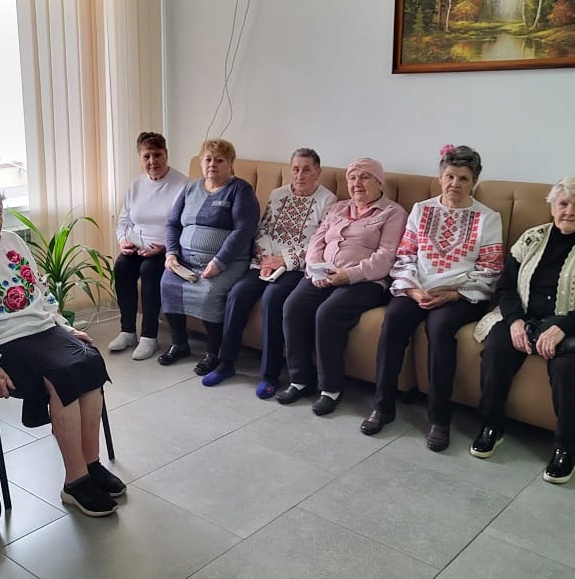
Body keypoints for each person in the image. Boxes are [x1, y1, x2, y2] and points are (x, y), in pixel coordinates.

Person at [0, 178, 125, 518]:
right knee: (62, 374)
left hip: (42, 329)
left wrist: (65, 326)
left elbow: (41, 291)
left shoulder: (13, 241)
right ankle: (75, 482)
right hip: (0, 343)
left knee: (89, 361)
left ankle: (91, 463)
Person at [469, 175, 575, 484]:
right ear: (552, 206)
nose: (570, 211)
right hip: (525, 318)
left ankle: (566, 447)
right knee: (497, 348)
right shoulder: (531, 237)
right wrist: (514, 321)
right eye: (563, 203)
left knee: (567, 367)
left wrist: (563, 327)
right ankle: (491, 425)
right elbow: (506, 287)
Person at [361, 144, 504, 450]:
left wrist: (453, 294)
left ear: (474, 182)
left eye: (463, 178)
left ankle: (439, 419)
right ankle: (382, 407)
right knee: (393, 320)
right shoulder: (421, 209)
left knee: (439, 330)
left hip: (461, 294)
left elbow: (491, 269)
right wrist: (413, 290)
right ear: (440, 178)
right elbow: (405, 255)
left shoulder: (488, 218)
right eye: (450, 176)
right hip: (417, 287)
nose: (455, 184)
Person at [199, 148, 337, 398]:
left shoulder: (327, 200)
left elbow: (321, 242)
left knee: (273, 299)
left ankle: (270, 375)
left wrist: (284, 260)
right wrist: (266, 258)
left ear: (318, 172)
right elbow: (262, 230)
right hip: (266, 261)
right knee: (238, 293)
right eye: (296, 169)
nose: (300, 175)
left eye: (307, 170)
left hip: (297, 267)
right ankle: (226, 362)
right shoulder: (278, 194)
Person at [278, 158, 406, 415]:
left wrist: (348, 275)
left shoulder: (393, 213)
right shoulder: (339, 208)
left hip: (366, 281)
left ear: (379, 182)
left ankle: (330, 388)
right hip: (324, 273)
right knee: (293, 306)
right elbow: (317, 241)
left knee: (328, 313)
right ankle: (300, 379)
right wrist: (316, 268)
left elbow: (386, 257)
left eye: (365, 177)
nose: (357, 183)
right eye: (352, 178)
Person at [158, 139, 260, 375]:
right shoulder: (190, 189)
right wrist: (171, 253)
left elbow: (243, 230)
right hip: (185, 262)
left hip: (227, 262)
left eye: (219, 160)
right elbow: (173, 223)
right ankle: (179, 344)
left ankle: (213, 352)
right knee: (167, 283)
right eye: (208, 159)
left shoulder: (240, 190)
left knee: (209, 294)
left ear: (230, 164)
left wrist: (218, 262)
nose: (212, 164)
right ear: (201, 163)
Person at [108, 132, 188, 361]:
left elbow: (185, 224)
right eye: (147, 156)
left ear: (166, 154)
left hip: (167, 250)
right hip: (137, 246)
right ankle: (127, 331)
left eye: (157, 155)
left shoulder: (182, 185)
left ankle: (149, 337)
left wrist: (164, 247)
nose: (153, 161)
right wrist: (123, 241)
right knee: (122, 266)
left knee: (149, 270)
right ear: (141, 158)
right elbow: (123, 221)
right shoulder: (136, 185)